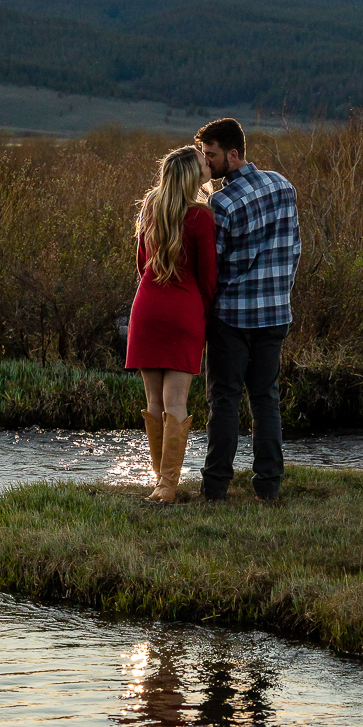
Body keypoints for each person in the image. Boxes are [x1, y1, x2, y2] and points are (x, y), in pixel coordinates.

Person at [194, 118, 301, 502]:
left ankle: (215, 487)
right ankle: (269, 486)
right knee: (265, 399)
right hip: (275, 314)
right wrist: (281, 295)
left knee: (224, 399)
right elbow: (294, 250)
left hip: (233, 318)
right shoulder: (283, 185)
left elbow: (214, 266)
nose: (207, 164)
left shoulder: (220, 203)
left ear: (233, 154)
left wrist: (206, 313)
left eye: (211, 156)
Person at [126, 145, 216, 503]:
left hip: (147, 306)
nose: (209, 163)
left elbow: (140, 261)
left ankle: (159, 485)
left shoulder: (151, 204)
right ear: (194, 176)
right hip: (184, 311)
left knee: (153, 402)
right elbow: (208, 278)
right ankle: (167, 487)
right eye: (203, 162)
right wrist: (205, 317)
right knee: (176, 403)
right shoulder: (201, 216)